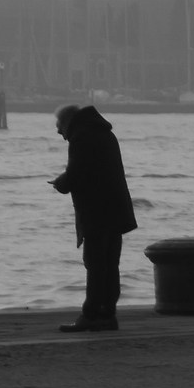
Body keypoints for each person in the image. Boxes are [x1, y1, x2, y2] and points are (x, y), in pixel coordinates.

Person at [51, 103, 138, 332]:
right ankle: (107, 315)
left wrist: (61, 183)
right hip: (116, 210)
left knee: (95, 264)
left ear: (69, 121)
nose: (58, 132)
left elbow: (77, 174)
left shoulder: (81, 137)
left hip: (97, 212)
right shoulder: (104, 133)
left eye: (59, 126)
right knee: (110, 264)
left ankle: (90, 315)